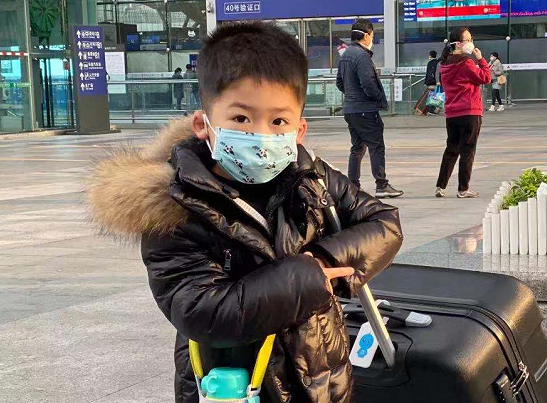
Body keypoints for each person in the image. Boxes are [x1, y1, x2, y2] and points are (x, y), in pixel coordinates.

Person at [86, 21, 403, 403]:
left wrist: (324, 259)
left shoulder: (312, 178)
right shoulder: (174, 207)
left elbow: (384, 222)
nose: (261, 135)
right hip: (235, 387)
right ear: (203, 124)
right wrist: (306, 279)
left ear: (299, 130)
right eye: (240, 119)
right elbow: (202, 311)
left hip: (323, 379)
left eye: (278, 121)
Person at [336, 18, 404, 199]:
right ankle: (381, 185)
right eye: (372, 35)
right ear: (366, 35)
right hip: (365, 109)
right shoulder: (362, 56)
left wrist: (352, 95)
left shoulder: (345, 55)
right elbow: (368, 83)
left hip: (350, 108)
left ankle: (353, 185)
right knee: (376, 146)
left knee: (357, 147)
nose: (372, 39)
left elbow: (339, 83)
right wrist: (376, 98)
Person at [435, 27, 491, 199]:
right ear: (458, 43)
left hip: (452, 113)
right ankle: (463, 188)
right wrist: (481, 59)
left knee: (451, 149)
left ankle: (441, 185)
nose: (471, 42)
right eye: (468, 40)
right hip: (469, 111)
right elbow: (485, 78)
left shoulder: (444, 64)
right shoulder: (466, 63)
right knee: (468, 150)